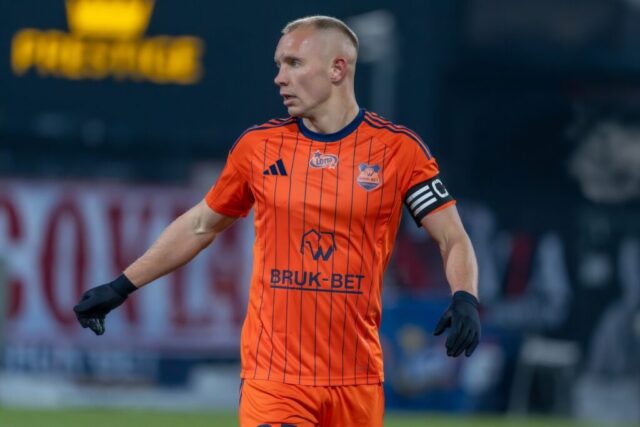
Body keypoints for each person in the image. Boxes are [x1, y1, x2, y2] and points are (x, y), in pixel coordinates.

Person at [74, 15, 480, 427]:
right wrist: (122, 286)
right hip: (274, 379)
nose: (279, 78)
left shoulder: (399, 152)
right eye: (279, 64)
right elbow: (201, 225)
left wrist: (465, 296)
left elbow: (452, 237)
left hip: (356, 381)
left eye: (294, 63)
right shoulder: (259, 147)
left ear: (337, 69)